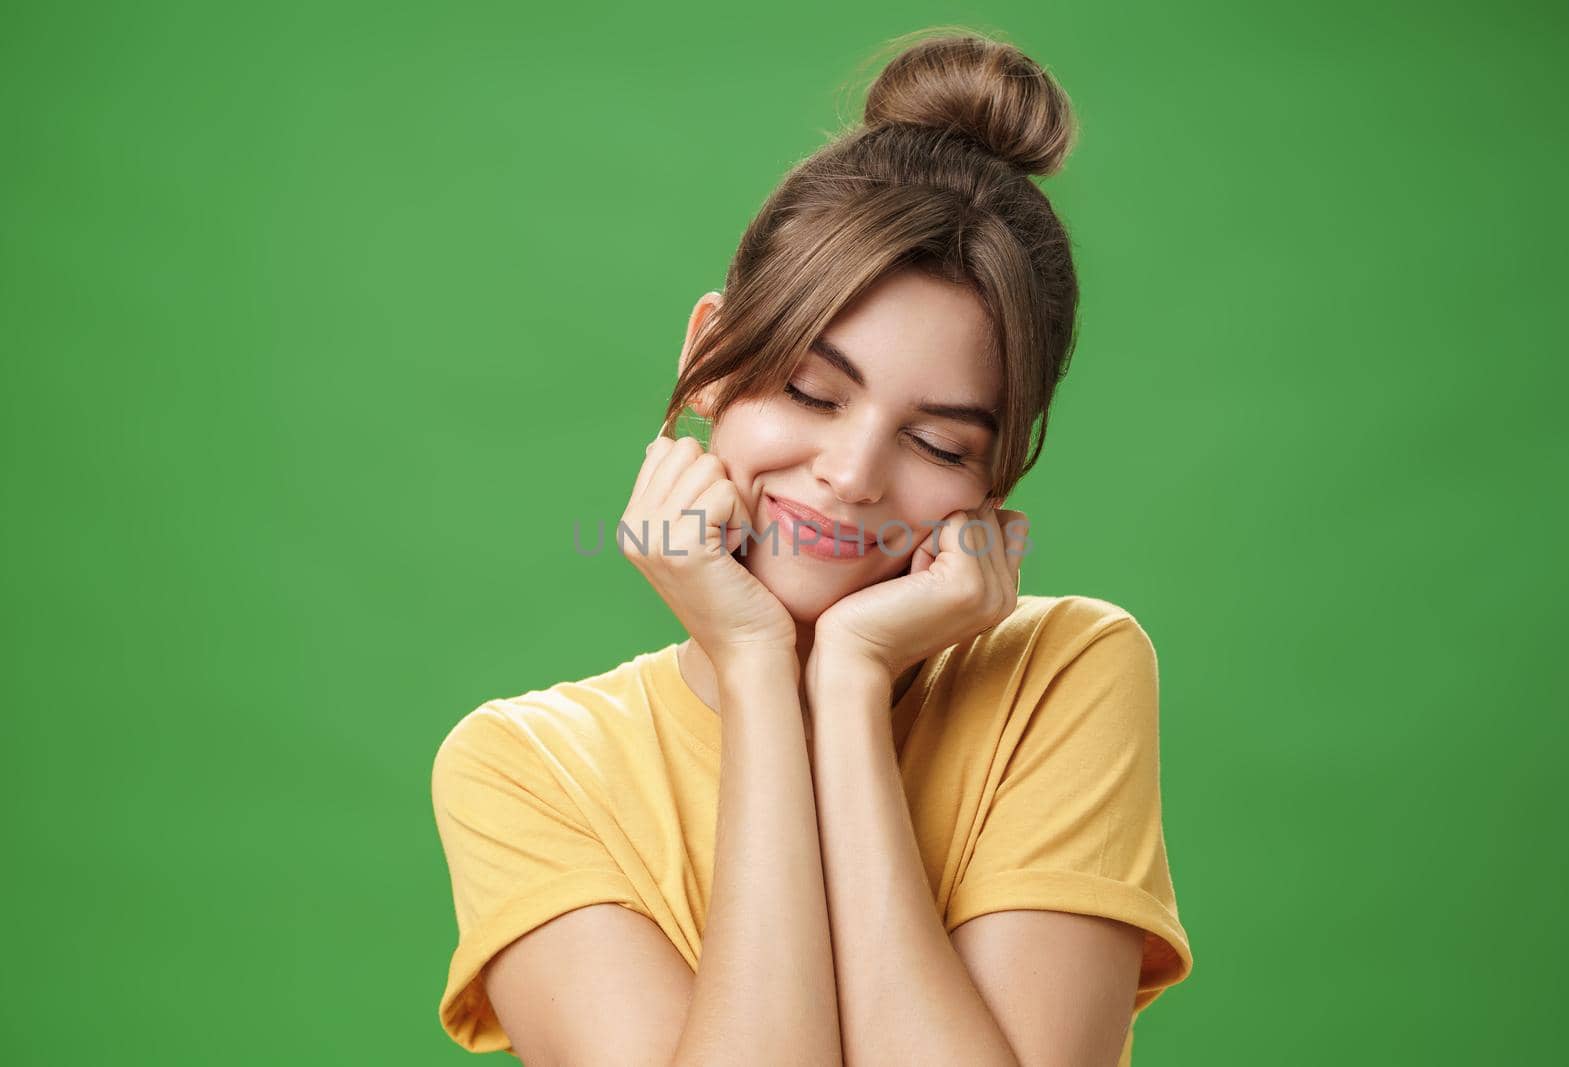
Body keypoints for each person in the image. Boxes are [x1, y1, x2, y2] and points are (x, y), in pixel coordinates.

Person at [431, 28, 1193, 1067]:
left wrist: (848, 681)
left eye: (935, 441)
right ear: (708, 355)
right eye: (810, 391)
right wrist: (755, 666)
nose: (853, 472)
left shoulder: (1062, 674)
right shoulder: (526, 768)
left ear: (994, 478)